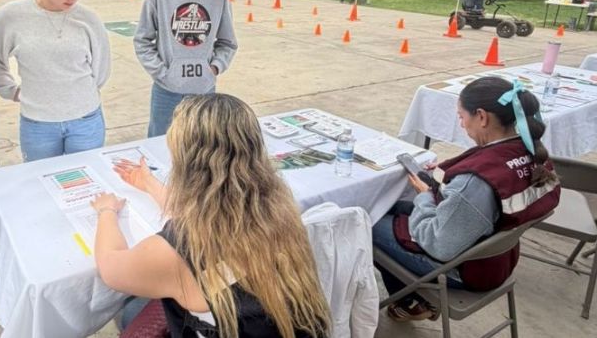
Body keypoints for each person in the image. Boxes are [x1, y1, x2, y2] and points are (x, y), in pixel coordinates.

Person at [91, 94, 331, 337]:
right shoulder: (277, 208)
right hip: (292, 329)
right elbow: (205, 213)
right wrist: (150, 184)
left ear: (185, 161)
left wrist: (106, 211)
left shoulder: (177, 251)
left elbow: (110, 268)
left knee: (131, 311)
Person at [373, 76, 560, 321]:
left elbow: (439, 244)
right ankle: (409, 300)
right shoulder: (532, 152)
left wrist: (425, 197)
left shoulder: (474, 184)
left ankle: (413, 301)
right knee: (392, 206)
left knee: (368, 219)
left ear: (482, 117)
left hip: (464, 270)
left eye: (462, 117)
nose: (461, 124)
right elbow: (480, 184)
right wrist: (448, 177)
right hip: (497, 257)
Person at [0, 0, 111, 161]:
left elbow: (101, 69)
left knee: (86, 178)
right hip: (38, 124)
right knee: (40, 178)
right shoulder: (12, 15)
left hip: (86, 120)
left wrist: (78, 94)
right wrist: (10, 90)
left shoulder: (88, 19)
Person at [134, 0, 237, 137]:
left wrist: (214, 68)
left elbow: (227, 42)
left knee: (201, 147)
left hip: (203, 91)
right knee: (159, 145)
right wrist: (162, 73)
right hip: (166, 91)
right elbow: (142, 39)